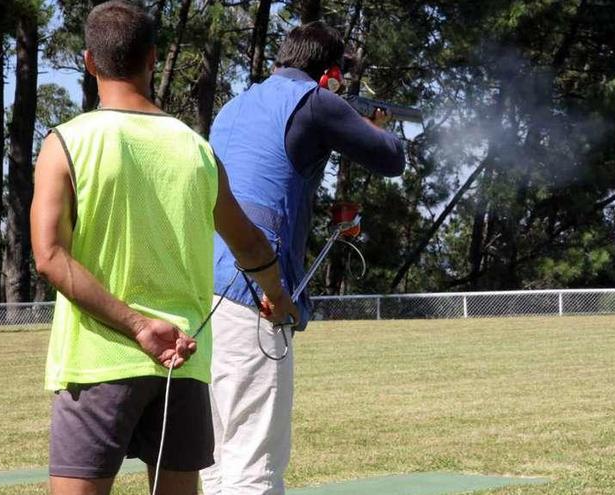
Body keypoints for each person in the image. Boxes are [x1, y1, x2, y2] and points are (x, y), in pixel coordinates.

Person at [30, 2, 297, 494]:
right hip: (185, 363)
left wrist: (135, 326)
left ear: (89, 61)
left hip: (98, 361)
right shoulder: (197, 150)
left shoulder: (66, 142)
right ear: (153, 58)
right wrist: (278, 296)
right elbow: (250, 243)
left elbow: (49, 257)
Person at [200, 21, 406, 495]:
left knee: (216, 462)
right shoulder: (315, 101)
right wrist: (375, 126)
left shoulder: (234, 105)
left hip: (202, 288)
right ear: (330, 73)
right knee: (256, 466)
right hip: (256, 291)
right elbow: (391, 157)